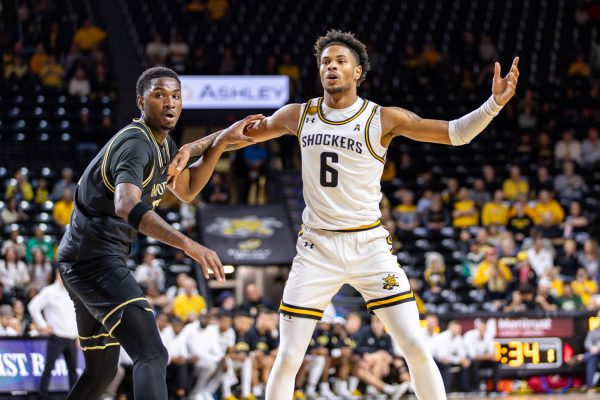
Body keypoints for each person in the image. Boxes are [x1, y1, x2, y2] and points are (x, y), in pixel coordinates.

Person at [169, 29, 519, 400]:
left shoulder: (383, 119)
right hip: (317, 248)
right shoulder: (298, 115)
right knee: (288, 357)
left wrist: (493, 105)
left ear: (358, 72)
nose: (330, 67)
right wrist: (191, 148)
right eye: (325, 62)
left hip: (369, 245)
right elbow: (237, 134)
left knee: (415, 346)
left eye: (340, 61)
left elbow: (455, 133)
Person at [56, 66, 260, 400]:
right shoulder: (136, 144)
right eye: (159, 95)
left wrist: (219, 142)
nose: (169, 102)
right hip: (94, 260)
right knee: (152, 353)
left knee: (101, 372)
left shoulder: (163, 145)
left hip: (85, 260)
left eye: (176, 96)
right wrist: (188, 244)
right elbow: (125, 204)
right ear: (141, 101)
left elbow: (189, 188)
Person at [27, 269, 78, 400]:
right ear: (57, 275)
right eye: (61, 274)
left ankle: (75, 396)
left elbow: (75, 316)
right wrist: (43, 325)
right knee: (48, 368)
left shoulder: (72, 291)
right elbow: (33, 306)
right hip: (57, 337)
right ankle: (42, 396)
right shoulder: (49, 292)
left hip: (71, 338)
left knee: (73, 371)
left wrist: (78, 335)